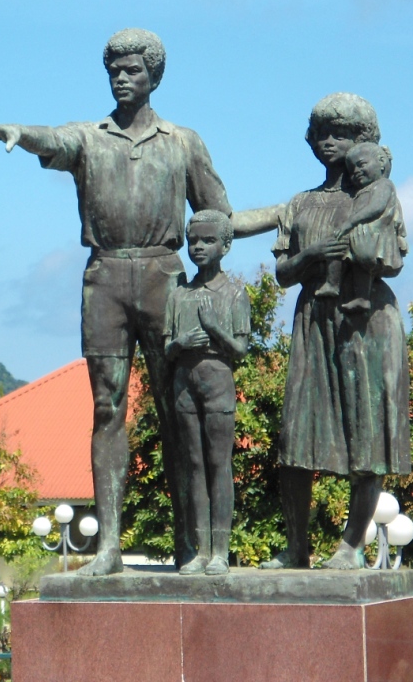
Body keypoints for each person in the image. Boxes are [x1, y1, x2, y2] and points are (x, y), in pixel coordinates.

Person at [0, 29, 279, 575]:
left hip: (165, 276)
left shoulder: (183, 142)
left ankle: (193, 545)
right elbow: (54, 139)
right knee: (105, 407)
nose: (121, 77)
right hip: (107, 277)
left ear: (154, 76)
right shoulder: (90, 138)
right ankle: (110, 546)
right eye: (114, 69)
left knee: (178, 412)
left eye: (133, 69)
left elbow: (219, 217)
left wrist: (287, 213)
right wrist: (20, 133)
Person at [262, 92, 410, 571]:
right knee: (297, 436)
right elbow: (283, 273)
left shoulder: (379, 194)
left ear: (364, 140)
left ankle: (351, 544)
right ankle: (296, 546)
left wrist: (360, 254)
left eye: (342, 134)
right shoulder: (301, 203)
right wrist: (310, 255)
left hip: (366, 323)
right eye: (322, 132)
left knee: (368, 436)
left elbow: (393, 259)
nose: (330, 142)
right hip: (314, 321)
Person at [163, 210, 250, 576]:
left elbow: (242, 350)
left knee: (218, 465)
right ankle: (200, 551)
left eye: (207, 240)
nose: (197, 247)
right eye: (193, 240)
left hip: (217, 378)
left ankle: (220, 551)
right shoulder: (179, 293)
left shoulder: (234, 292)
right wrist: (179, 341)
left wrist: (215, 329)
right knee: (193, 466)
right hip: (185, 380)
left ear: (225, 246)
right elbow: (166, 346)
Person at [314, 142, 405, 313]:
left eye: (361, 164)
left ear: (381, 163)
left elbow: (376, 208)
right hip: (362, 234)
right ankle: (342, 288)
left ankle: (340, 286)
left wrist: (351, 222)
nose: (356, 172)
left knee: (350, 250)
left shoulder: (384, 185)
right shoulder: (362, 191)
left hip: (375, 236)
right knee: (346, 254)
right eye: (352, 170)